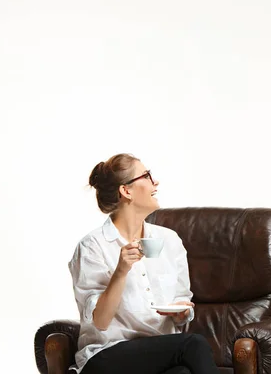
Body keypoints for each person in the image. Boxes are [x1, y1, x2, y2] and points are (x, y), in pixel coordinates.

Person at [68, 153, 219, 374]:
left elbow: (181, 300)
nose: (155, 182)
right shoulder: (92, 247)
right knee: (193, 344)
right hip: (107, 355)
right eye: (147, 176)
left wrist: (181, 313)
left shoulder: (169, 240)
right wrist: (121, 271)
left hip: (161, 354)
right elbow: (100, 322)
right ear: (126, 190)